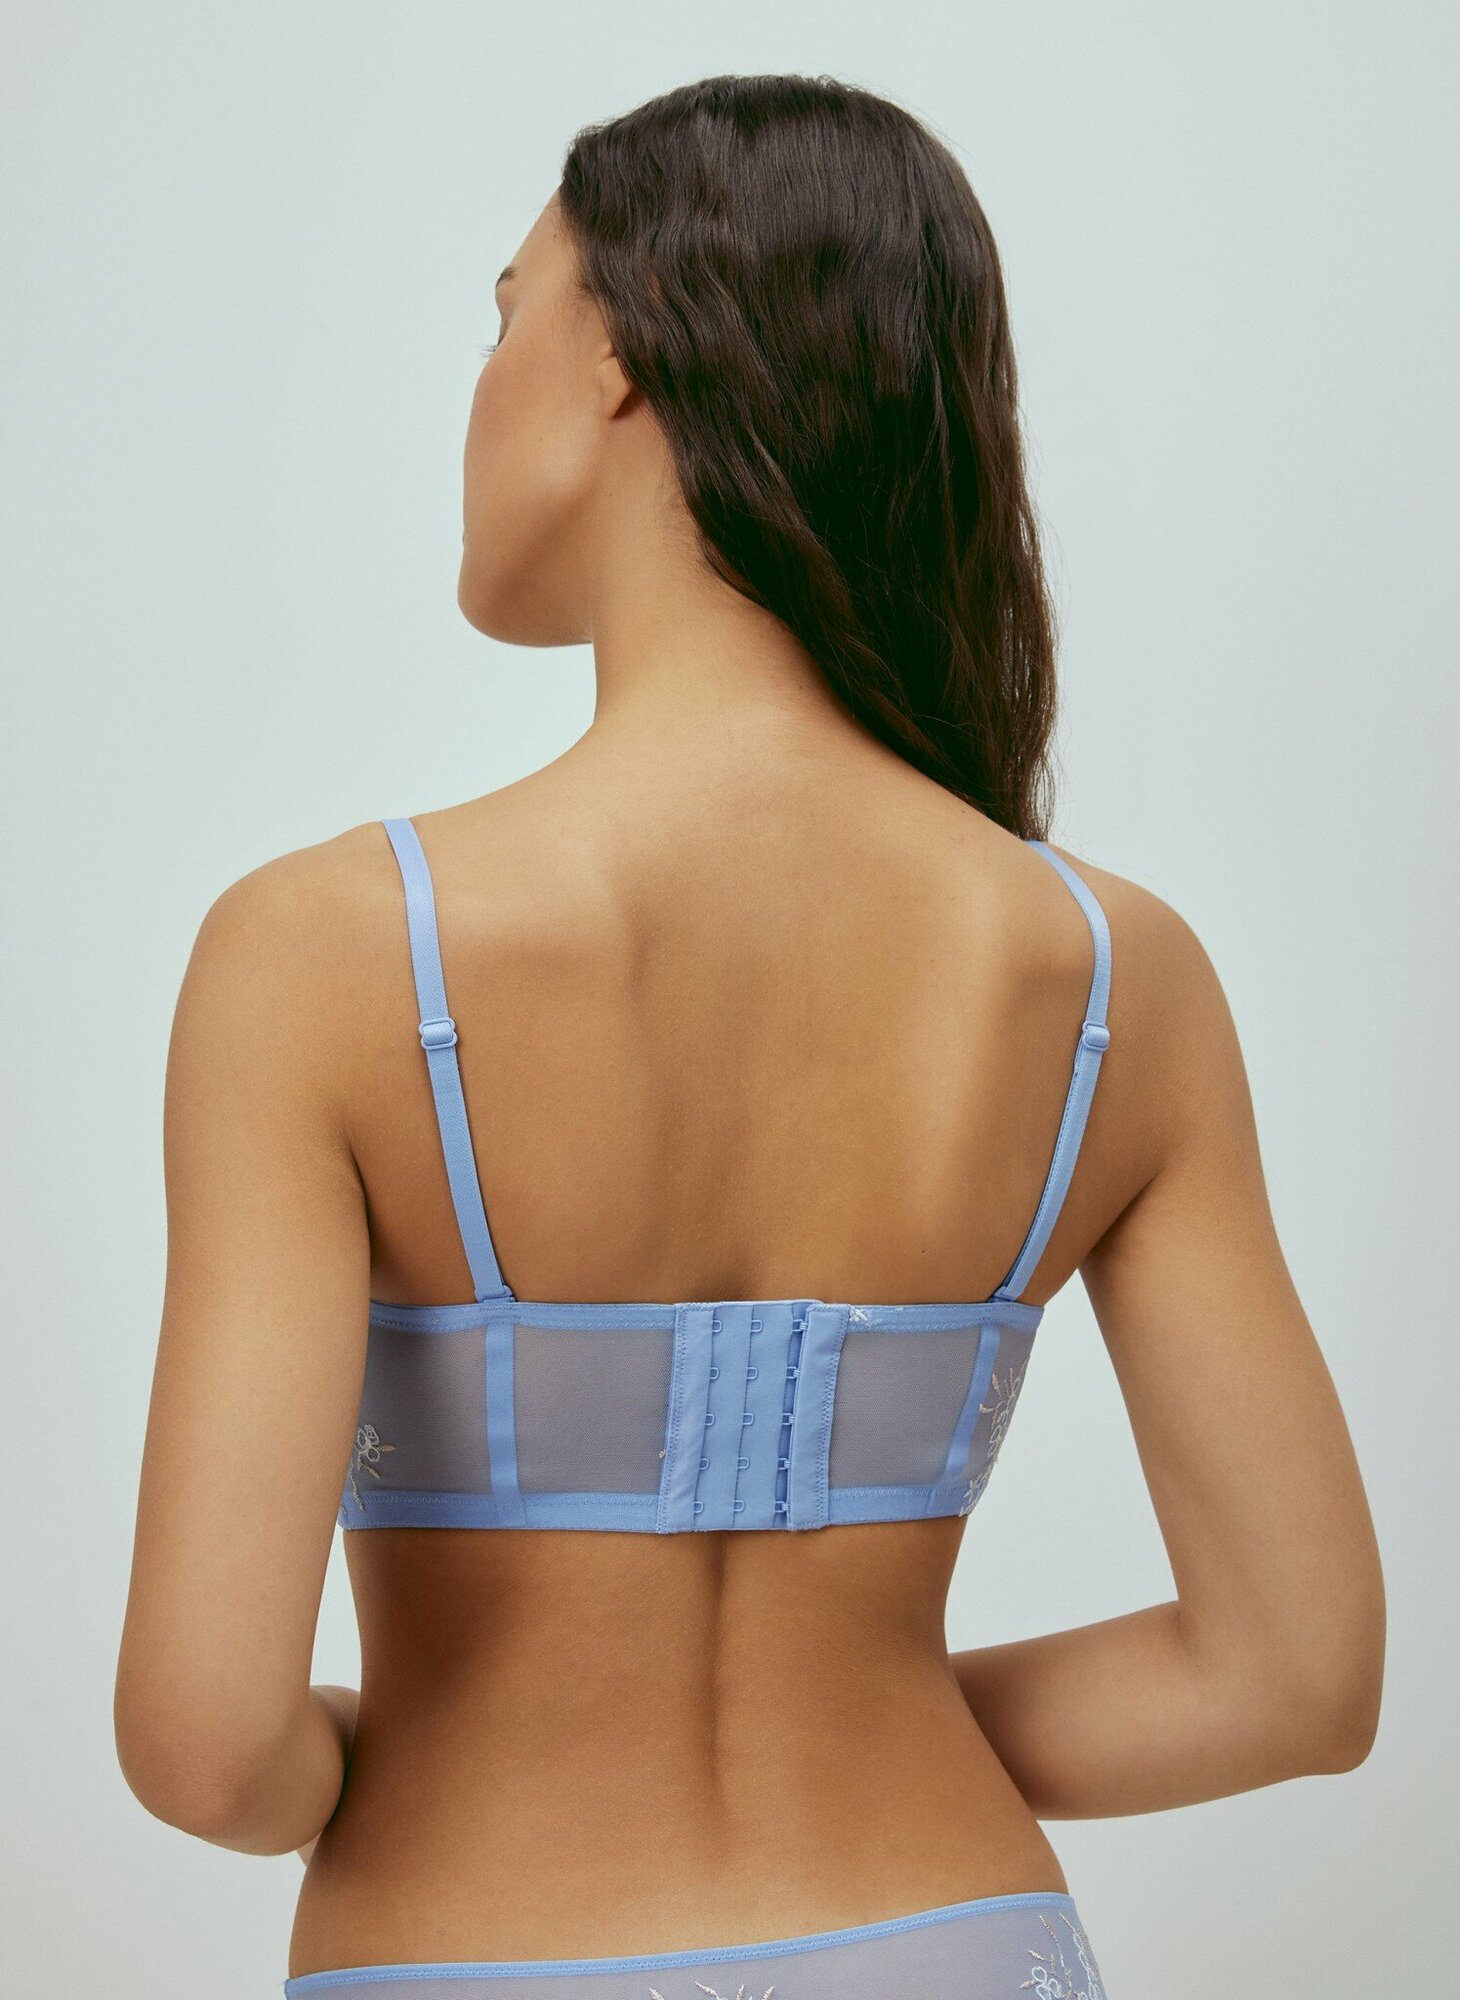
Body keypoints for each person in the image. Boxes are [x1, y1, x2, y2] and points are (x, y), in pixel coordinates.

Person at [113, 73, 1385, 2000]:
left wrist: (403, 1756)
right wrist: (878, 1714)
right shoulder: (1115, 977)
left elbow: (207, 1748)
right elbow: (1293, 1678)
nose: (481, 380)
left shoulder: (327, 954)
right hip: (964, 1938)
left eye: (506, 311)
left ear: (624, 346)